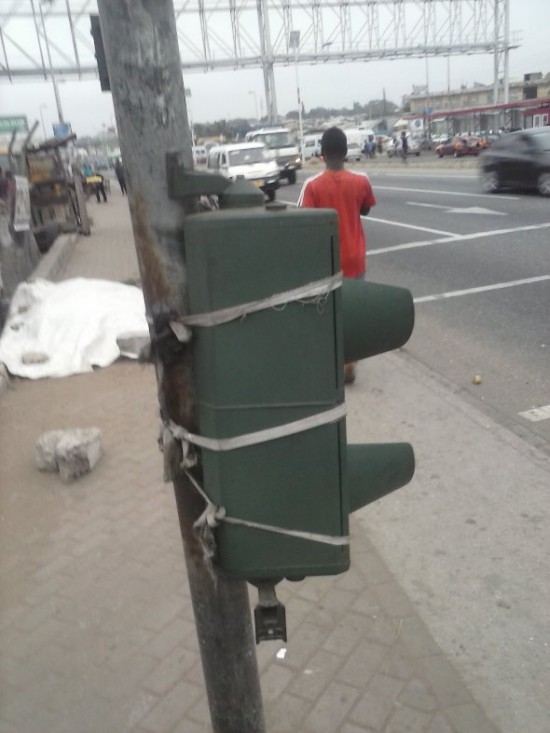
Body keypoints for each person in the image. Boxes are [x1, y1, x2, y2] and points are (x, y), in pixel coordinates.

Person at [298, 126, 377, 384]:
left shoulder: (312, 186)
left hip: (327, 260)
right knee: (353, 312)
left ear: (321, 153)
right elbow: (365, 209)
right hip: (355, 256)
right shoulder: (361, 181)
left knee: (328, 311)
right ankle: (350, 360)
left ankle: (331, 360)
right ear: (346, 152)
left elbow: (305, 223)